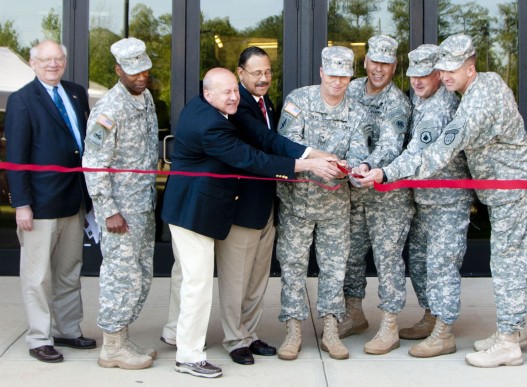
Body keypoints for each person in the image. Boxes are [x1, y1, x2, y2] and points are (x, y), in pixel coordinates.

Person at [358, 34, 527, 368]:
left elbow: (435, 153)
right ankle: (511, 332)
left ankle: (504, 340)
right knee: (481, 262)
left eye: (449, 70)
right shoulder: (477, 87)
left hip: (512, 191)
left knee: (506, 263)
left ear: (470, 68)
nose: (443, 76)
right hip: (498, 191)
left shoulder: (468, 106)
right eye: (440, 70)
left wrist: (386, 173)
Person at [159, 47, 335, 366]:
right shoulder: (216, 121)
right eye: (254, 74)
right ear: (211, 90)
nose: (233, 96)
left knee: (203, 280)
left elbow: (266, 141)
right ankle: (192, 352)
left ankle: (212, 340)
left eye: (268, 72)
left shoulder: (231, 106)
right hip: (198, 210)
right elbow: (252, 155)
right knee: (199, 283)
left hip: (227, 204)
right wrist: (307, 164)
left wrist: (313, 154)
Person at [375, 44, 474, 358]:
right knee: (419, 264)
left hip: (447, 202)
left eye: (425, 75)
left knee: (441, 266)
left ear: (440, 74)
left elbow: (417, 154)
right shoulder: (421, 99)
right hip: (424, 200)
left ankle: (443, 332)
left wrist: (383, 172)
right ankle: (431, 316)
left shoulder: (441, 108)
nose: (417, 82)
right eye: (413, 75)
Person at [4, 40, 96, 363]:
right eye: (46, 60)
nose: (53, 64)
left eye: (58, 59)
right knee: (38, 276)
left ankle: (67, 330)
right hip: (40, 205)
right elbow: (15, 158)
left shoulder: (76, 93)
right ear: (33, 63)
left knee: (69, 271)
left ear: (65, 62)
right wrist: (22, 204)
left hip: (73, 200)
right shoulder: (22, 101)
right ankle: (40, 338)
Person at [276, 46, 369, 361]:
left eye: (344, 76)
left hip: (335, 206)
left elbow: (359, 153)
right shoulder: (298, 101)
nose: (337, 82)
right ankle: (293, 330)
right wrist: (319, 160)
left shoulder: (356, 112)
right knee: (292, 266)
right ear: (321, 72)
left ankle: (331, 328)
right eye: (332, 75)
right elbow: (288, 146)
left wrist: (355, 168)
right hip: (297, 205)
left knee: (334, 268)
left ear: (351, 76)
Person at [82, 37, 158, 370]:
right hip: (120, 212)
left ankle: (122, 337)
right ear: (118, 71)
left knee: (140, 275)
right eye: (133, 72)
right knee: (121, 276)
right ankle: (111, 346)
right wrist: (108, 210)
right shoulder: (108, 109)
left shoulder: (145, 98)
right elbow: (94, 161)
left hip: (142, 204)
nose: (141, 76)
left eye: (144, 70)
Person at [339, 35, 414, 355]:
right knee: (351, 254)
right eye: (375, 61)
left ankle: (390, 324)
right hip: (355, 190)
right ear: (366, 61)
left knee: (387, 259)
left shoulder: (398, 102)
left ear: (394, 67)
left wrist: (368, 165)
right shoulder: (351, 89)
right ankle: (354, 313)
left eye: (386, 63)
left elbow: (389, 144)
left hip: (386, 194)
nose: (379, 69)